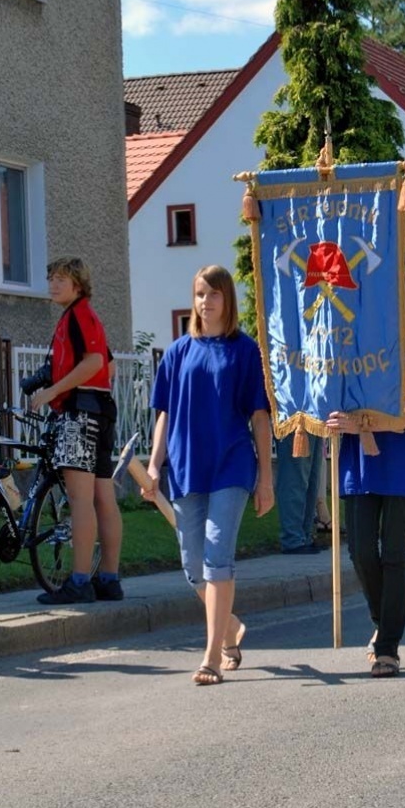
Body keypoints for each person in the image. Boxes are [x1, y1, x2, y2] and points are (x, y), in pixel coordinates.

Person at [147, 265, 274, 686]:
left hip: (232, 465)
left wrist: (266, 478)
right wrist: (153, 464)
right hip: (186, 468)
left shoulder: (244, 351)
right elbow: (164, 414)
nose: (206, 301)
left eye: (214, 294)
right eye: (201, 293)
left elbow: (259, 417)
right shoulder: (178, 352)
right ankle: (231, 628)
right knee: (192, 566)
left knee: (218, 556)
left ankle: (211, 658)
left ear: (227, 300)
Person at [326, 272, 405, 678]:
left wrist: (367, 424)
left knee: (393, 552)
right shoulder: (359, 352)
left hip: (399, 465)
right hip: (360, 465)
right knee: (360, 550)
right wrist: (341, 420)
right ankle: (383, 624)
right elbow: (338, 398)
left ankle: (388, 647)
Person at [31, 257, 121, 605]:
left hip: (79, 413)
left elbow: (96, 363)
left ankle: (80, 580)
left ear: (78, 285)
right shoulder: (86, 316)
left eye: (61, 279)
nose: (53, 284)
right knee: (103, 497)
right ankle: (109, 579)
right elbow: (109, 365)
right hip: (100, 411)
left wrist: (53, 391)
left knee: (81, 499)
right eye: (51, 278)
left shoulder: (77, 315)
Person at [274, 432, 324, 554]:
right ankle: (292, 538)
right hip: (294, 419)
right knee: (294, 476)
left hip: (314, 417)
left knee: (312, 477)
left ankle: (304, 536)